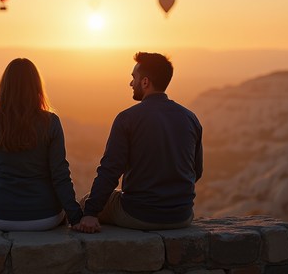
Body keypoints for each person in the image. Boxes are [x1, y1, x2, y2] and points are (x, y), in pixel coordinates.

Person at [75, 52, 203, 233]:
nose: (130, 83)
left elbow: (110, 170)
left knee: (83, 203)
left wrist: (90, 212)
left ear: (145, 82)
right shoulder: (191, 118)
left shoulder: (127, 118)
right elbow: (196, 171)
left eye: (133, 77)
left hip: (138, 214)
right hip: (182, 216)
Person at [0, 58, 82, 231]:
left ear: (4, 87)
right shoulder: (51, 122)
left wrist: (2, 200)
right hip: (44, 217)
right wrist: (76, 217)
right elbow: (60, 174)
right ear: (37, 87)